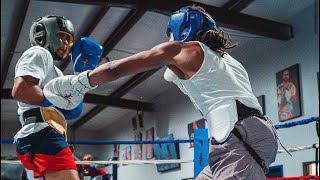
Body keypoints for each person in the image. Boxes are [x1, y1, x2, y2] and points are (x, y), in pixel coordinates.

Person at [43, 5, 279, 179]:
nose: (168, 39)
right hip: (241, 134)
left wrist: (79, 82)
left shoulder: (183, 50)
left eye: (170, 33)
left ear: (183, 29)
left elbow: (116, 69)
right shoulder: (224, 59)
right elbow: (172, 73)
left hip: (238, 136)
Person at [11, 15, 103, 179]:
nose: (66, 43)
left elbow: (73, 108)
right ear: (43, 34)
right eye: (61, 36)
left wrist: (81, 75)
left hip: (48, 133)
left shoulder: (57, 73)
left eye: (68, 39)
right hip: (42, 132)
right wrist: (55, 104)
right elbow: (21, 90)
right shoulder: (39, 52)